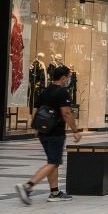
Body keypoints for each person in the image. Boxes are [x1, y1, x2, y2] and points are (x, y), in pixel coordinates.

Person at [15, 64, 79, 204]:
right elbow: (67, 113)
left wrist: (40, 127)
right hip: (55, 132)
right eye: (68, 77)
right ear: (63, 77)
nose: (69, 79)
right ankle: (27, 186)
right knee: (54, 162)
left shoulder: (44, 91)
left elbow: (36, 111)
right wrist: (75, 131)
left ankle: (54, 192)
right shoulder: (62, 92)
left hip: (43, 132)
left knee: (52, 161)